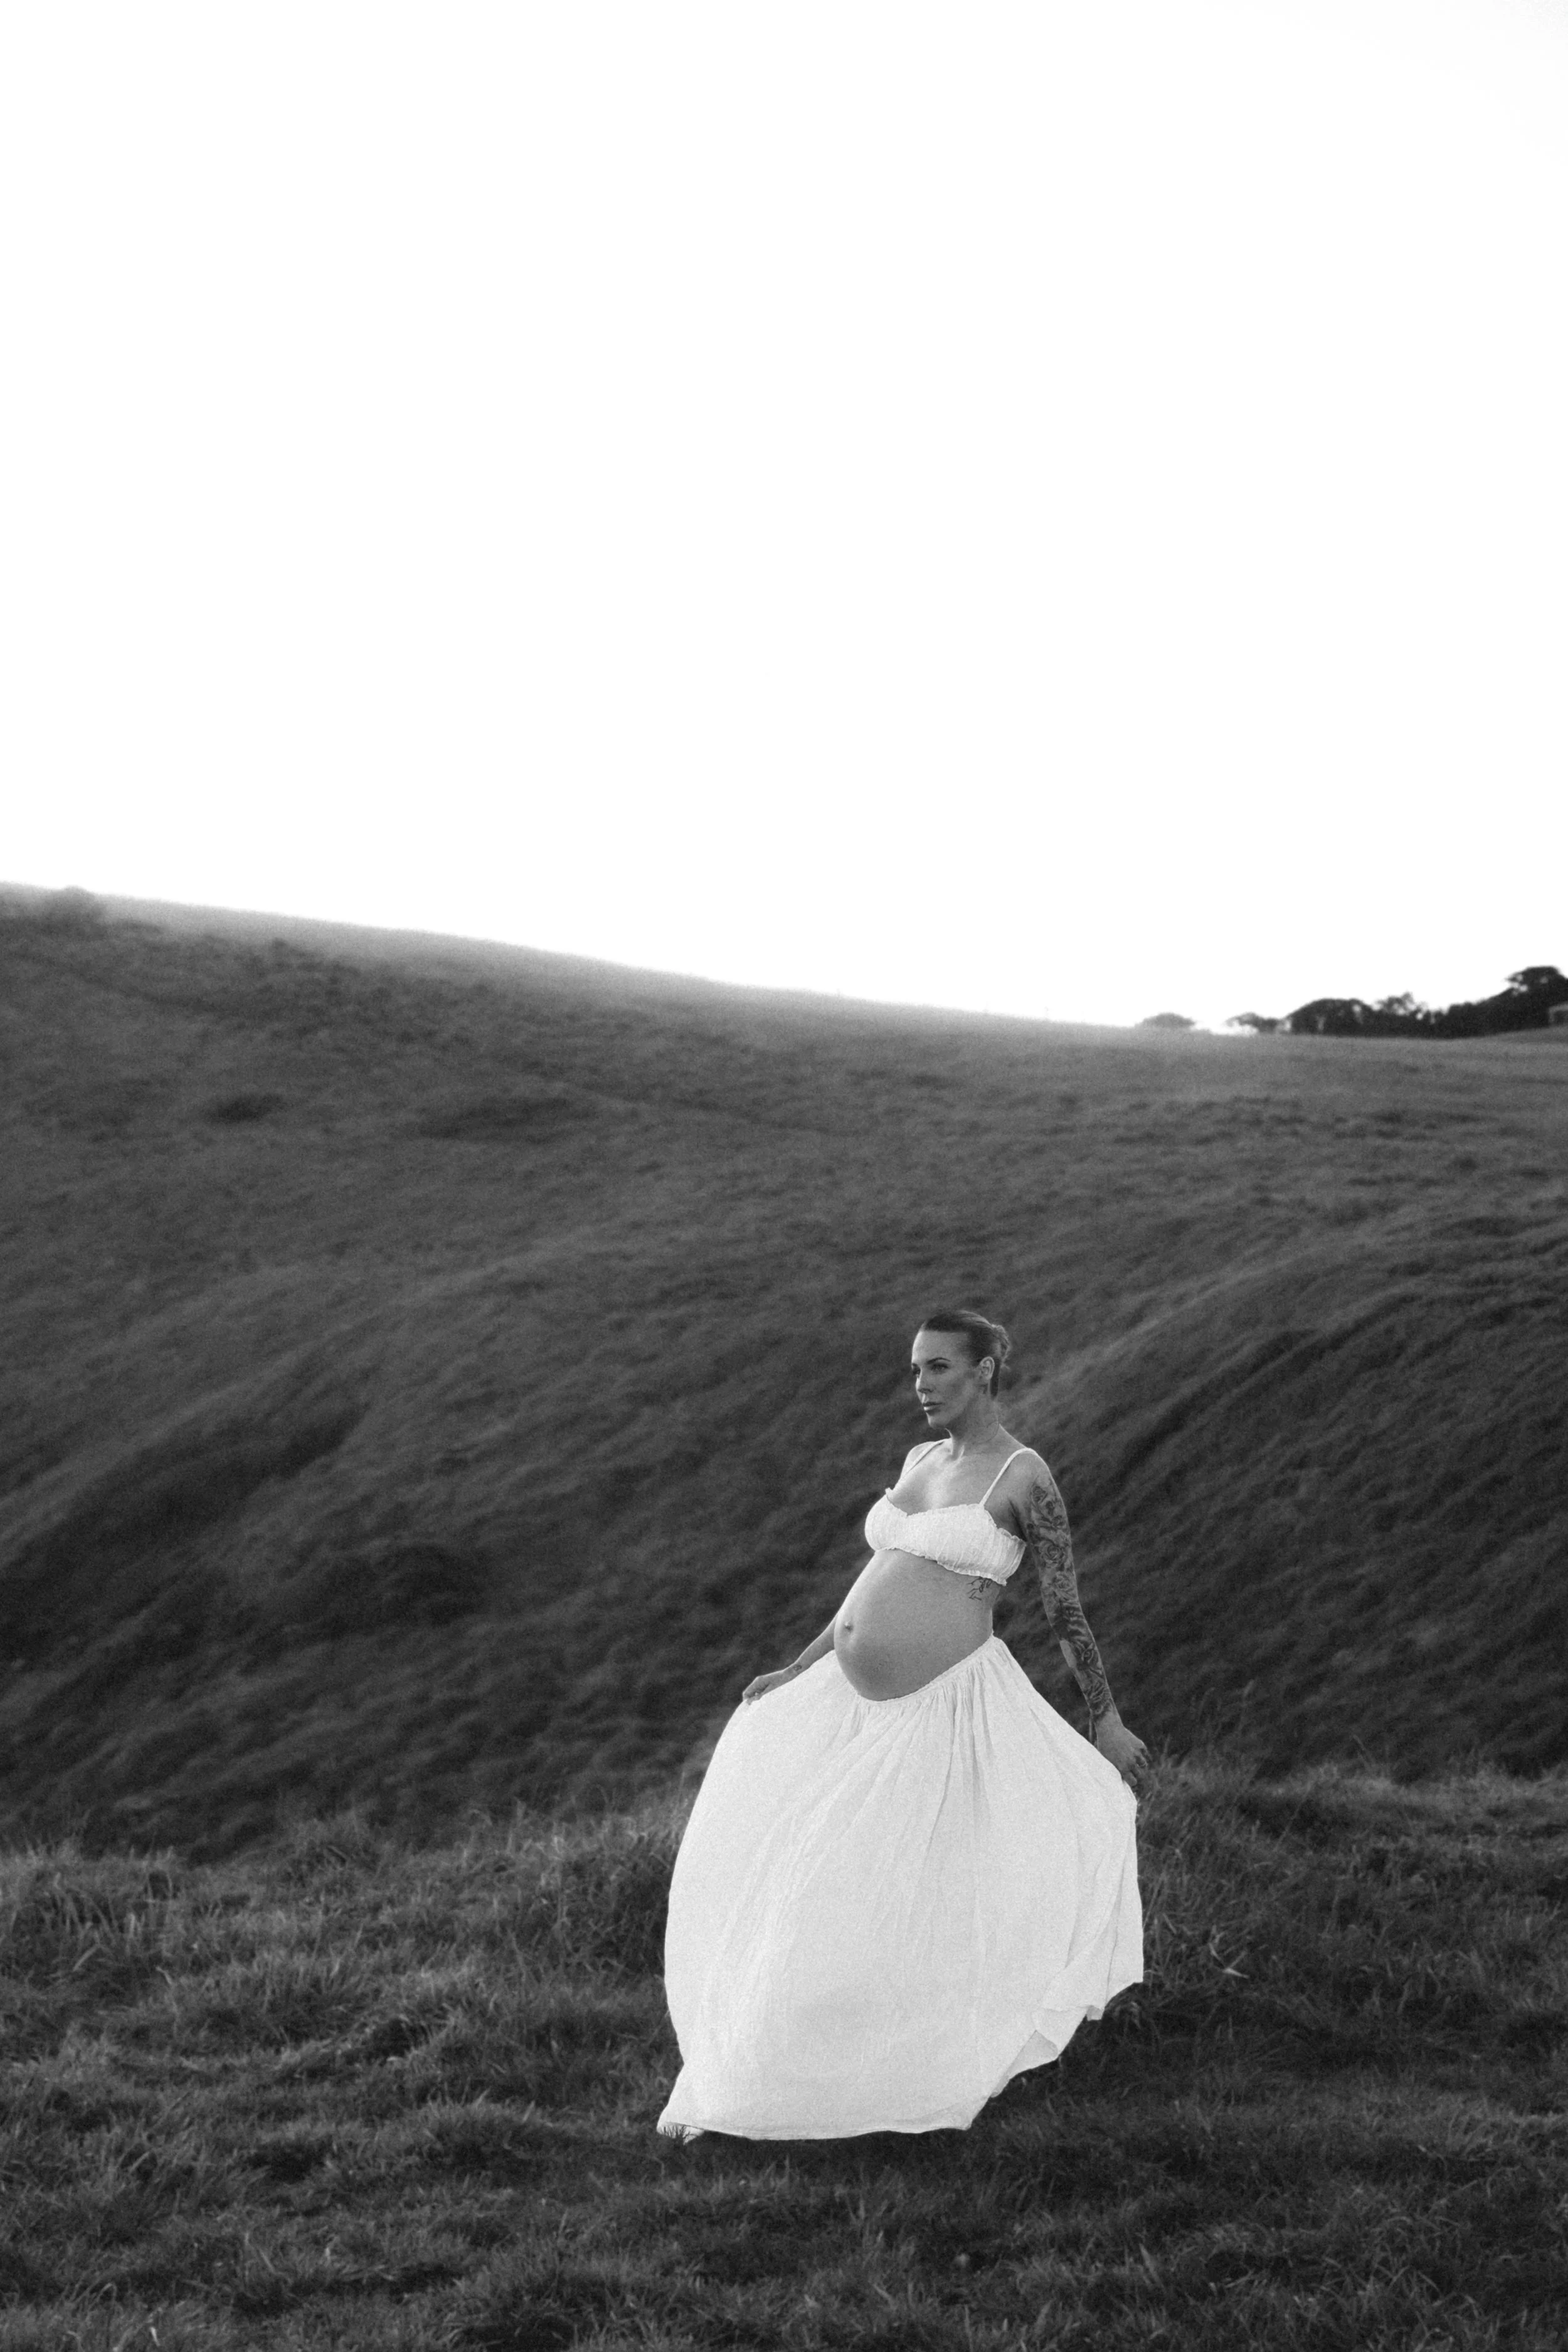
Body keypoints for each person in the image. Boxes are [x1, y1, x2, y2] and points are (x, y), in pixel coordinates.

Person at [657, 1307, 1147, 2143]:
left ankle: (892, 2065)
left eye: (939, 1369)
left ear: (987, 1369)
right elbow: (874, 1578)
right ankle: (767, 2063)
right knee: (796, 1877)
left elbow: (1063, 1608)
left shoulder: (1024, 1477)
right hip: (852, 1705)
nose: (921, 1385)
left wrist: (1105, 1717)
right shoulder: (920, 1459)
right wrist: (805, 1662)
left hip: (945, 1707)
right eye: (916, 1370)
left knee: (900, 1891)